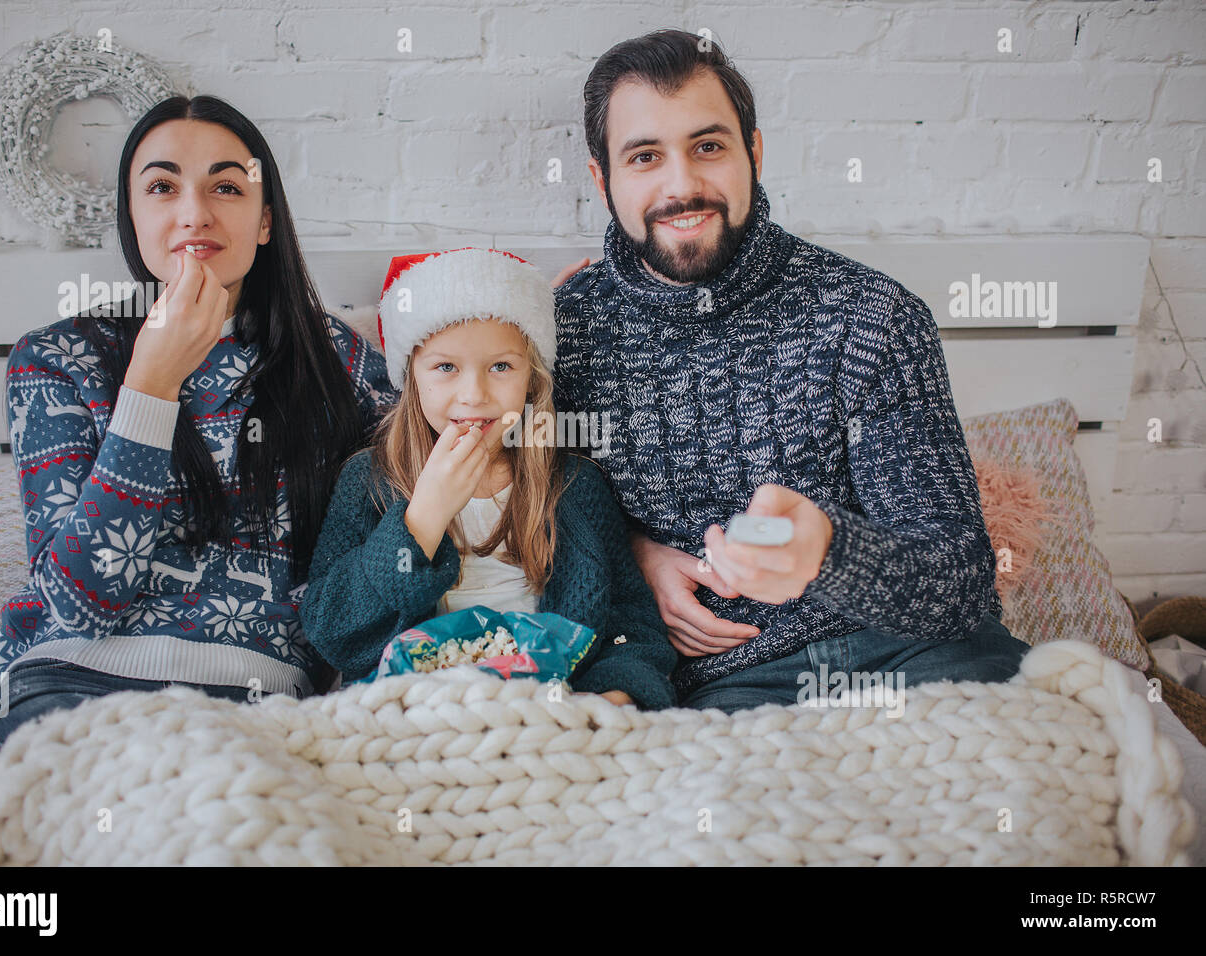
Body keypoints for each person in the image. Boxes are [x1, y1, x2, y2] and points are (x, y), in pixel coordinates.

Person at [553, 30, 1030, 714]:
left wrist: (829, 553)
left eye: (708, 146)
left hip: (925, 660)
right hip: (721, 692)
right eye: (646, 156)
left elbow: (959, 587)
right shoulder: (563, 334)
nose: (681, 184)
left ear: (754, 152)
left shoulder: (871, 316)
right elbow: (519, 530)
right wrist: (632, 554)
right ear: (604, 180)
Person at [0, 95, 395, 764]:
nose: (194, 212)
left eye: (226, 187)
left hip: (259, 714)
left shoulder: (339, 363)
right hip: (70, 692)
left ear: (264, 222)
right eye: (163, 187)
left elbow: (414, 516)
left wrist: (505, 345)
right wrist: (151, 385)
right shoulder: (57, 358)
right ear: (133, 217)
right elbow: (80, 607)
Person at [301, 248, 677, 710]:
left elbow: (630, 625)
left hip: (544, 708)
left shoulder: (573, 486)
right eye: (445, 367)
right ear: (411, 376)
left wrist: (616, 694)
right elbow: (331, 628)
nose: (474, 395)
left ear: (531, 378)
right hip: (413, 710)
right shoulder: (370, 480)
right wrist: (423, 519)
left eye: (501, 366)